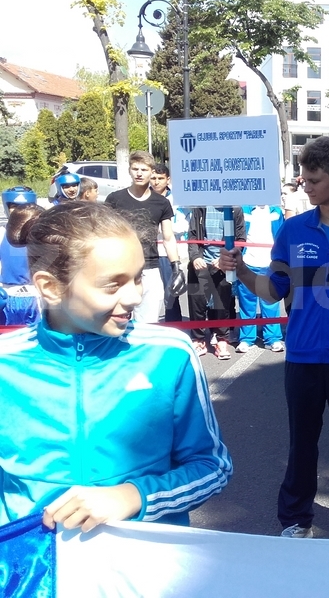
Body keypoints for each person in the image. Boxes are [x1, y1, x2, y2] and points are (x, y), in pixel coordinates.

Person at [0, 201, 232, 530]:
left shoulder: (169, 353)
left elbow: (212, 467)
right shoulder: (6, 362)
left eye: (137, 278)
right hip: (31, 560)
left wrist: (133, 497)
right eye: (113, 284)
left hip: (145, 557)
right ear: (50, 287)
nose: (135, 296)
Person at [219, 135, 329, 540]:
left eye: (314, 179)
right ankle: (296, 519)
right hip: (302, 358)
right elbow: (272, 291)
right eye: (303, 178)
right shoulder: (293, 230)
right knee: (302, 444)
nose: (306, 186)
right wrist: (242, 271)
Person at [105, 151, 185, 324]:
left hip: (150, 268)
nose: (139, 173)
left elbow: (168, 237)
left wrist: (176, 267)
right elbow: (105, 234)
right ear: (129, 170)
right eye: (135, 169)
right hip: (121, 268)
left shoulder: (161, 203)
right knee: (118, 321)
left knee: (148, 323)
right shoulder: (114, 199)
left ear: (151, 171)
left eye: (144, 169)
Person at [187, 205, 246, 359]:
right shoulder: (200, 207)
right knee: (197, 304)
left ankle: (221, 340)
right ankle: (198, 340)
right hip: (200, 263)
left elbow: (240, 239)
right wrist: (195, 257)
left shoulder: (235, 209)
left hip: (223, 264)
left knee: (222, 305)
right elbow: (192, 235)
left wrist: (225, 259)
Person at [234, 204, 285, 353]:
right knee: (247, 304)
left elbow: (282, 235)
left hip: (270, 264)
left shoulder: (276, 211)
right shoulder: (244, 209)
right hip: (248, 262)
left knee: (270, 303)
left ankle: (273, 338)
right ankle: (246, 339)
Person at [150, 163, 189, 322]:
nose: (156, 182)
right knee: (149, 293)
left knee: (171, 293)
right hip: (147, 253)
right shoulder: (145, 197)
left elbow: (184, 225)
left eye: (160, 178)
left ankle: (174, 326)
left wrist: (163, 228)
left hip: (169, 254)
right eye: (153, 178)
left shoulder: (177, 200)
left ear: (168, 179)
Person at [0, 187, 42, 326]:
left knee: (37, 336)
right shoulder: (1, 233)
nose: (19, 211)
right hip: (7, 295)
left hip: (36, 296)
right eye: (14, 206)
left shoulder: (41, 235)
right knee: (7, 336)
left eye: (23, 207)